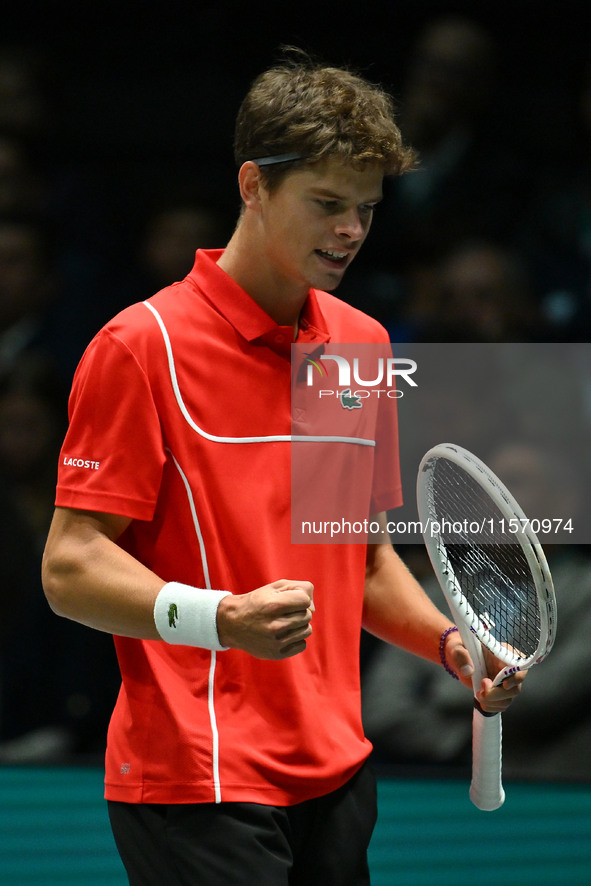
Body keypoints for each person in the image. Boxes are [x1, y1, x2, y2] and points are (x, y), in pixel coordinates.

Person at [41, 50, 524, 886]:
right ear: (253, 186)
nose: (349, 231)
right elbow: (69, 565)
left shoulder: (362, 345)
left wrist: (446, 643)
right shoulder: (140, 347)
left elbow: (359, 558)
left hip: (336, 774)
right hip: (199, 781)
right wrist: (221, 619)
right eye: (327, 204)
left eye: (366, 209)